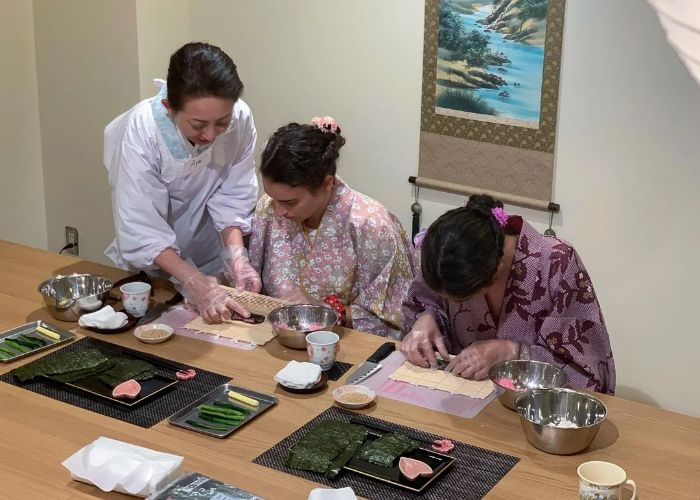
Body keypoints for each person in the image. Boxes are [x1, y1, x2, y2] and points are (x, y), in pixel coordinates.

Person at [104, 42, 261, 324]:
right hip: (155, 266)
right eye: (198, 125)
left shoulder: (240, 118)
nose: (211, 135)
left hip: (209, 253)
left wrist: (236, 256)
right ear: (169, 107)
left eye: (221, 123)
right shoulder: (142, 131)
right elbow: (141, 227)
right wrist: (191, 281)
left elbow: (234, 195)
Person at [401, 195, 616, 394]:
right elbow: (426, 301)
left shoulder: (556, 263)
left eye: (461, 299)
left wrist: (512, 351)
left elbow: (588, 369)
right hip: (458, 397)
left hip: (531, 412)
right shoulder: (447, 254)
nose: (452, 303)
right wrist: (427, 318)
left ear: (498, 268)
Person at [248, 117, 416, 338]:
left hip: (345, 347)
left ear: (327, 183)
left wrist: (325, 310)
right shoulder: (268, 208)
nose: (278, 211)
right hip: (275, 340)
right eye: (272, 197)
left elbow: (397, 319)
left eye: (290, 202)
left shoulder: (372, 225)